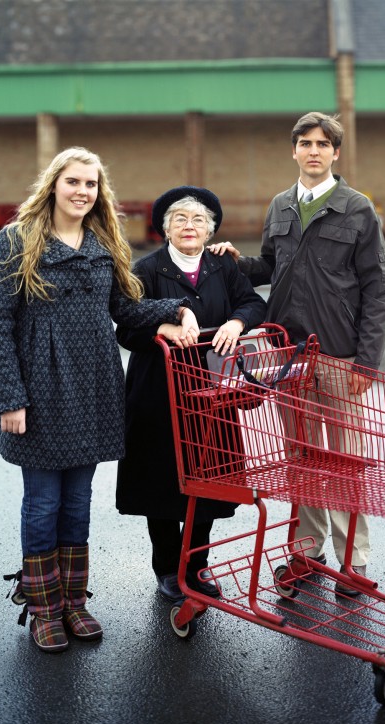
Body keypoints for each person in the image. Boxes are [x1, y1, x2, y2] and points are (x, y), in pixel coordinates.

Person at [0, 148, 199, 652]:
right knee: (43, 503)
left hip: (94, 388)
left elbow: (125, 306)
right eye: (73, 182)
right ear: (53, 185)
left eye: (91, 184)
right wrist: (10, 398)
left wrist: (177, 309)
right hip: (39, 392)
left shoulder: (104, 242)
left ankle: (73, 602)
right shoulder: (18, 241)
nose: (83, 191)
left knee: (77, 503)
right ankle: (42, 607)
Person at [210, 112, 385, 596]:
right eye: (305, 143)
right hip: (289, 356)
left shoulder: (357, 210)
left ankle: (353, 562)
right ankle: (305, 552)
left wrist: (366, 360)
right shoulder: (280, 206)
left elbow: (377, 288)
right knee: (302, 460)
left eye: (323, 144)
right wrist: (237, 263)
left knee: (346, 461)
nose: (313, 151)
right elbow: (271, 266)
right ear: (294, 150)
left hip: (339, 358)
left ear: (335, 153)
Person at [115, 186, 267, 603]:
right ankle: (167, 568)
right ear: (166, 229)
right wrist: (161, 328)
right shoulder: (146, 269)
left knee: (209, 479)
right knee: (161, 482)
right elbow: (126, 327)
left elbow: (254, 303)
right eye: (180, 219)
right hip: (158, 392)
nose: (189, 226)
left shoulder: (223, 267)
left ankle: (195, 567)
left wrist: (237, 323)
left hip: (211, 391)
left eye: (198, 220)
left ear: (210, 230)